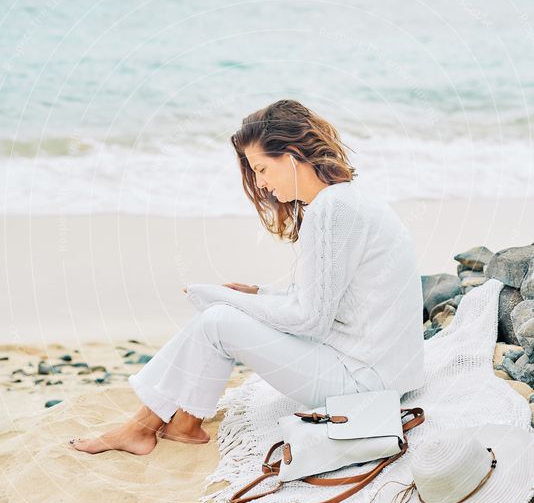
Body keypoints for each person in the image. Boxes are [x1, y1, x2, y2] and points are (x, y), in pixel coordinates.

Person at [69, 99, 424, 455]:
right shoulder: (347, 200)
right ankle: (183, 425)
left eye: (262, 169)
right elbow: (331, 295)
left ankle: (141, 428)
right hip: (381, 371)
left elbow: (311, 319)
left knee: (219, 321)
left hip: (364, 384)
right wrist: (260, 293)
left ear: (290, 156)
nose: (261, 183)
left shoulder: (332, 209)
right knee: (224, 319)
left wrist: (226, 299)